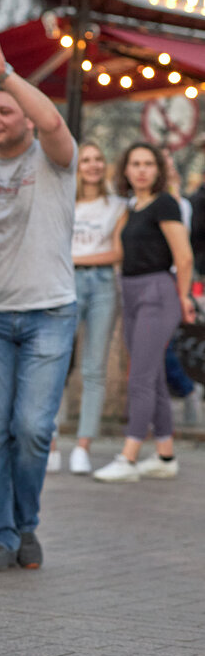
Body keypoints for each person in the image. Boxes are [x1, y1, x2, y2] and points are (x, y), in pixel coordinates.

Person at [0, 36, 78, 572]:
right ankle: (1, 537)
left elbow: (53, 122)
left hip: (49, 312)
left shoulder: (53, 159)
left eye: (6, 109)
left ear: (24, 114)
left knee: (31, 428)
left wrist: (2, 74)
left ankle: (27, 525)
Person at [93, 142, 195, 482]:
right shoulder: (132, 207)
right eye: (135, 163)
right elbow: (117, 252)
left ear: (158, 170)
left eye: (148, 164)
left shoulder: (165, 203)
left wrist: (184, 297)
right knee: (151, 377)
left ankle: (129, 456)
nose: (141, 170)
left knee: (139, 376)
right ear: (125, 169)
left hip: (158, 292)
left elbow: (184, 256)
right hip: (132, 292)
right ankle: (165, 455)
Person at [61, 143, 126, 475]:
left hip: (101, 285)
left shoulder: (116, 206)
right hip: (65, 283)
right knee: (57, 363)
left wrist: (74, 258)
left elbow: (116, 253)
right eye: (85, 159)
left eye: (98, 159)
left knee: (94, 367)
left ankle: (84, 444)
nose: (92, 165)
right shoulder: (64, 202)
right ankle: (51, 442)